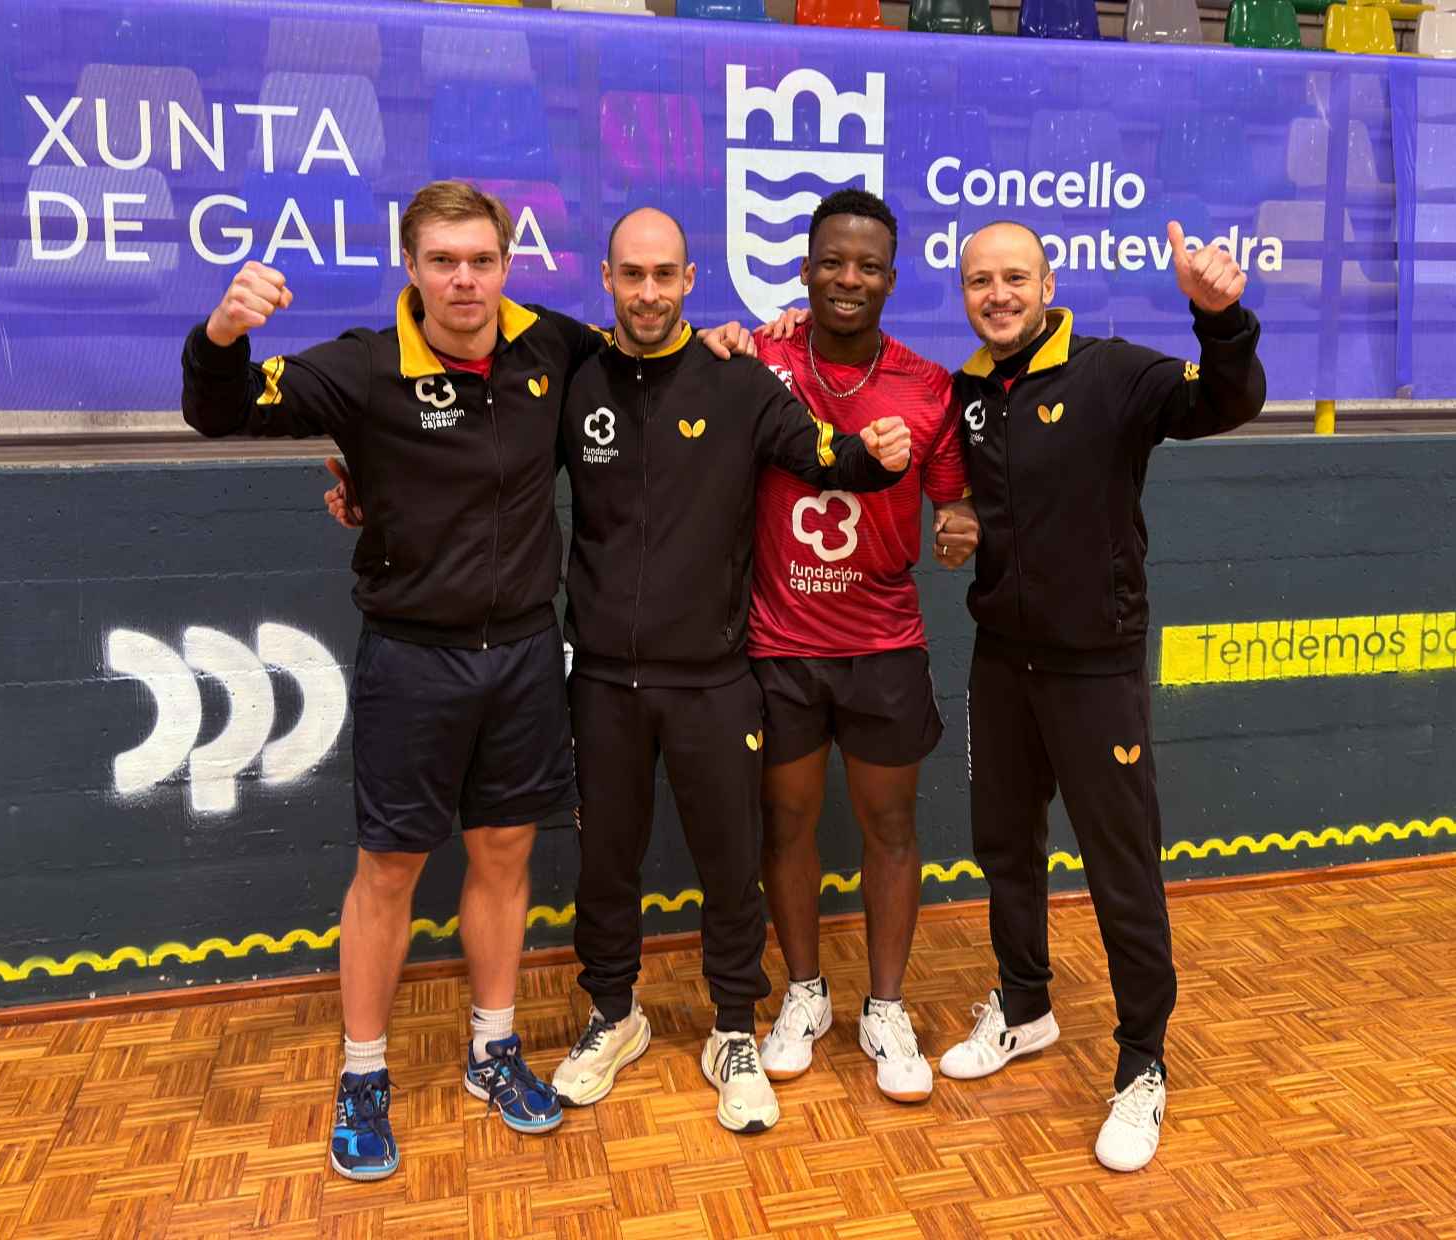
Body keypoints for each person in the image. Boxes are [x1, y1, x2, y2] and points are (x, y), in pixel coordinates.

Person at [181, 181, 747, 1180]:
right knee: (389, 870)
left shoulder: (550, 346)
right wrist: (223, 332)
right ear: (413, 269)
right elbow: (218, 412)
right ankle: (363, 1072)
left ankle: (494, 1050)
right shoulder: (362, 366)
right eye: (443, 261)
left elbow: (656, 352)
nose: (464, 280)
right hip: (413, 657)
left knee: (503, 855)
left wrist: (741, 340)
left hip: (527, 652)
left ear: (506, 263)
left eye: (481, 260)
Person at [547, 208, 911, 1135]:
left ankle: (736, 1026)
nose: (649, 293)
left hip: (714, 677)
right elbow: (488, 467)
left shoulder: (739, 380)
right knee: (606, 860)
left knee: (731, 864)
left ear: (691, 278)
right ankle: (614, 1014)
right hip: (602, 681)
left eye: (666, 274)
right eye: (632, 275)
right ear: (606, 278)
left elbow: (823, 454)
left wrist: (879, 457)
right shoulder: (573, 376)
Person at [937, 220, 1265, 1173]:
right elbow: (986, 512)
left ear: (1050, 280)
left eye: (1014, 278)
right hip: (1002, 662)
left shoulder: (1114, 373)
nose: (996, 295)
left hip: (1096, 670)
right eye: (979, 281)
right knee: (1005, 849)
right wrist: (964, 528)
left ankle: (1141, 1064)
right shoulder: (971, 393)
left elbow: (1226, 401)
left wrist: (1222, 318)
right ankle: (1026, 1007)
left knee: (1121, 869)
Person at [739, 189, 979, 1104]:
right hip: (780, 644)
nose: (848, 279)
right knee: (788, 824)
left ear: (890, 276)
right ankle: (805, 994)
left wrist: (959, 527)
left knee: (889, 827)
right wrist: (730, 335)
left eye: (867, 265)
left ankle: (886, 1006)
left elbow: (953, 499)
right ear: (803, 269)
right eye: (831, 262)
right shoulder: (757, 359)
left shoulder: (927, 386)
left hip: (882, 645)